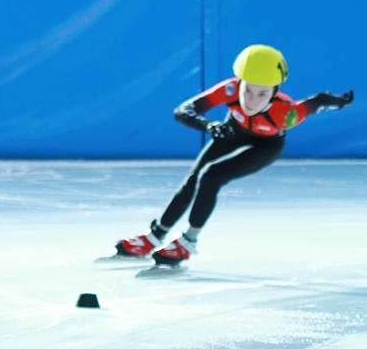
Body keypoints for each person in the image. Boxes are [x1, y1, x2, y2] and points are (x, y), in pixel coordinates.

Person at [115, 44, 354, 266]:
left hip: (265, 146)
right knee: (193, 178)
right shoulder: (230, 89)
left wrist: (339, 101)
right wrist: (208, 125)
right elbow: (182, 111)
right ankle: (155, 235)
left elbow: (318, 102)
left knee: (211, 176)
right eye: (247, 90)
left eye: (262, 94)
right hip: (233, 131)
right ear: (239, 83)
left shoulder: (286, 114)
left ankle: (189, 241)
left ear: (274, 93)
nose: (251, 100)